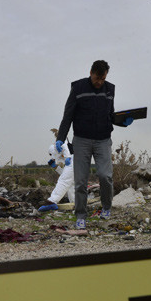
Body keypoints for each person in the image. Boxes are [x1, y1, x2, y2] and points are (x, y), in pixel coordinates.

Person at [55, 60, 132, 229]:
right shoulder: (78, 88)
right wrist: (60, 137)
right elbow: (68, 115)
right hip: (81, 140)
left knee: (105, 176)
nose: (99, 82)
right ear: (91, 72)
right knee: (81, 180)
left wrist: (122, 121)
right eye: (97, 78)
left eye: (103, 79)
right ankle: (81, 215)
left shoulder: (110, 89)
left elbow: (110, 115)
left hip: (103, 140)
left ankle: (106, 207)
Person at [38, 142, 75, 212]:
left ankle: (52, 201)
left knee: (63, 181)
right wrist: (56, 167)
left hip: (74, 159)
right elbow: (66, 174)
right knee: (71, 185)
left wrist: (68, 157)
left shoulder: (58, 148)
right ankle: (75, 204)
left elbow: (64, 146)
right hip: (76, 162)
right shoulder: (62, 158)